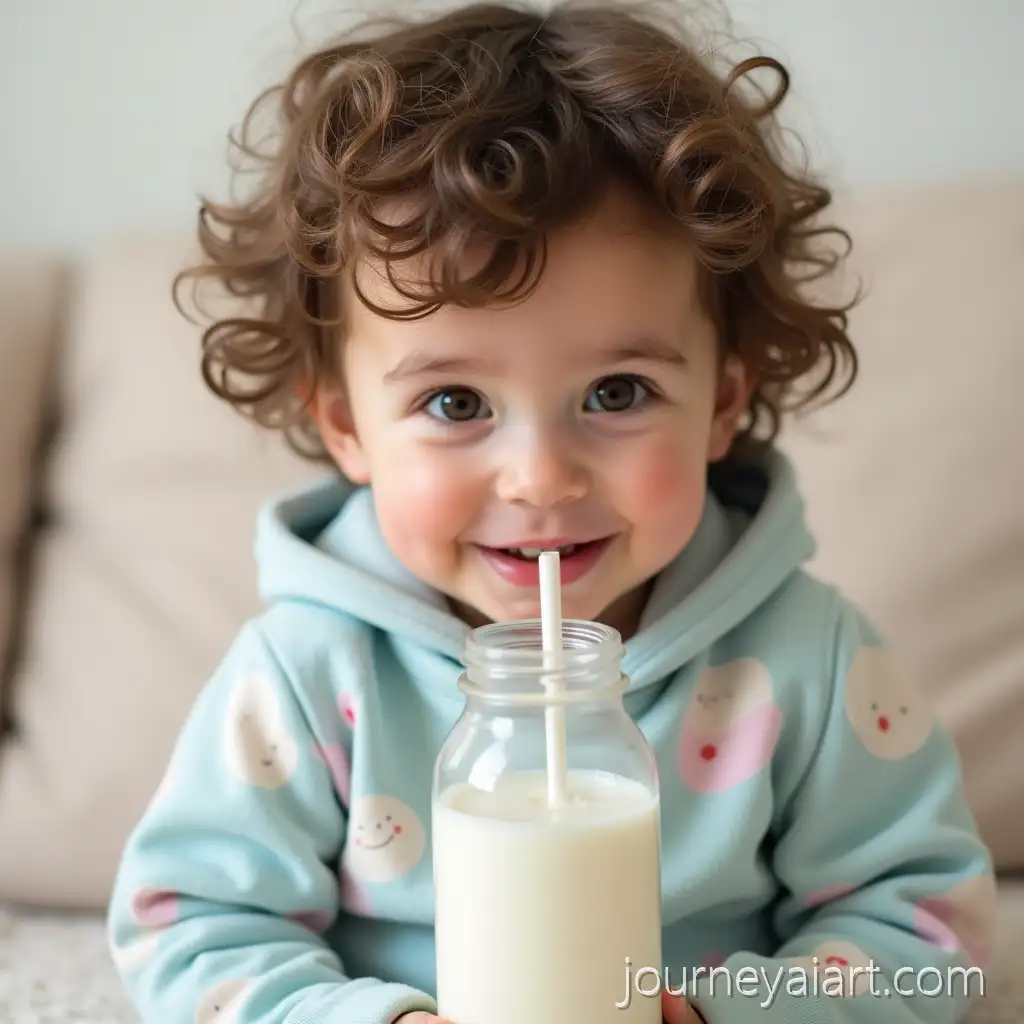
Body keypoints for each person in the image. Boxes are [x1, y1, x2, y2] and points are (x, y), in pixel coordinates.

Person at [106, 2, 996, 1022]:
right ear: (347, 427)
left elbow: (929, 930)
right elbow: (191, 923)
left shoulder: (805, 658)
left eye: (615, 393)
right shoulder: (309, 678)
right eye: (454, 403)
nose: (538, 477)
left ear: (723, 401)